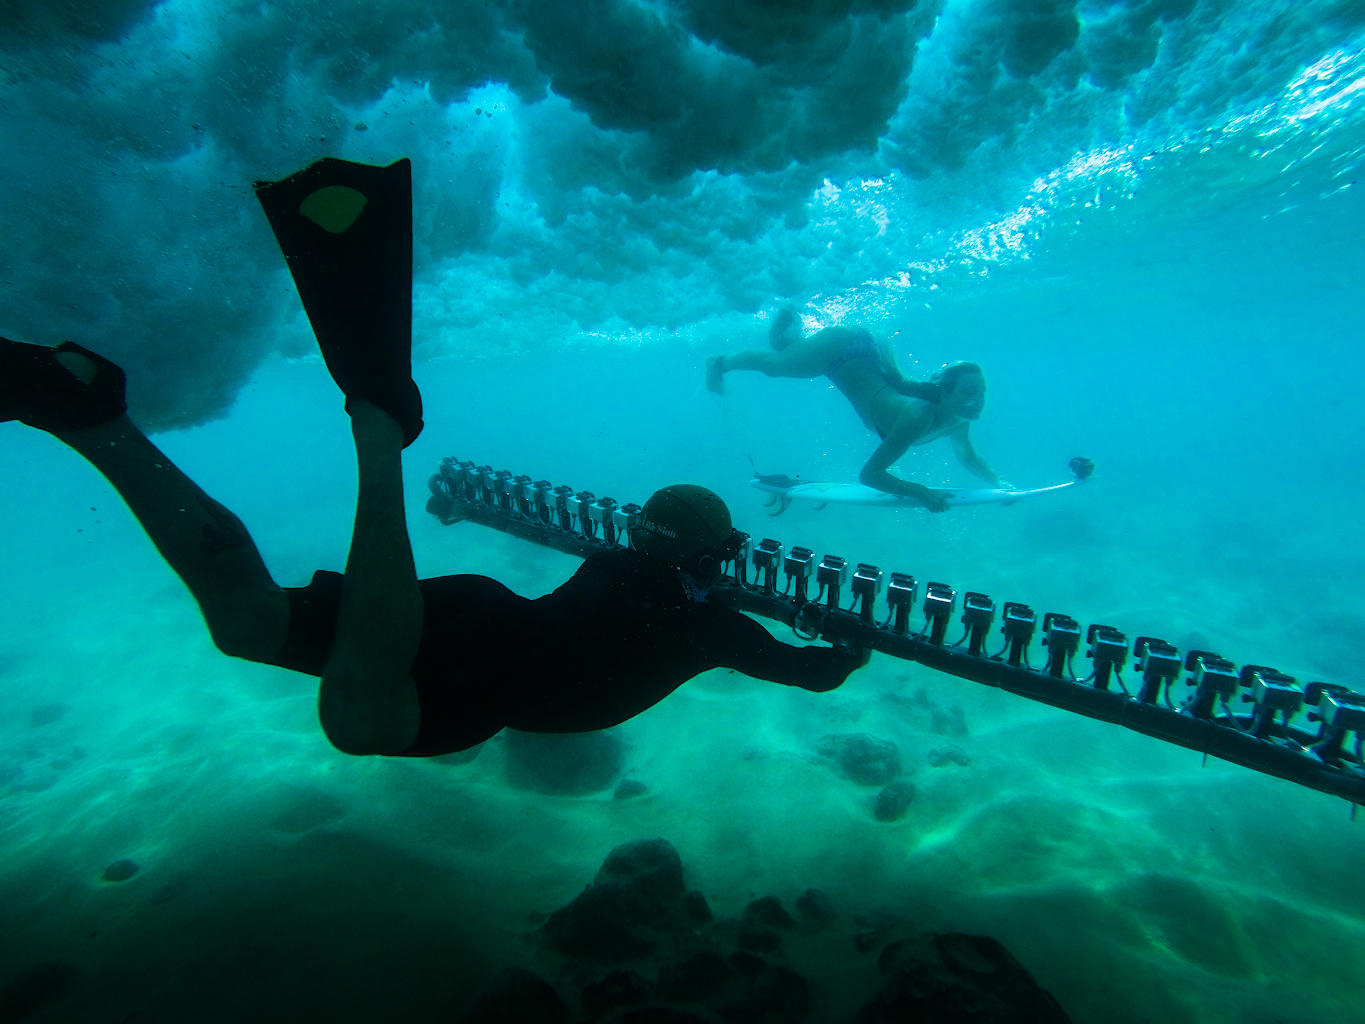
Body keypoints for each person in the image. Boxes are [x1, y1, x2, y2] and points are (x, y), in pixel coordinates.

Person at [0, 157, 866, 759]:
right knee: (355, 719)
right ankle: (377, 438)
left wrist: (772, 611)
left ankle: (93, 420)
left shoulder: (616, 562)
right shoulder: (715, 627)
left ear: (644, 532)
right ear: (712, 551)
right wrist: (843, 639)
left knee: (249, 622)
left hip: (474, 624)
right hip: (476, 677)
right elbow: (815, 674)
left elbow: (655, 576)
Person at [706, 309, 1010, 512]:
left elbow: (967, 456)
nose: (978, 400)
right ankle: (719, 363)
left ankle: (793, 340)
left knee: (790, 355)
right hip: (843, 348)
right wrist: (920, 492)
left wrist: (999, 482)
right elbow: (870, 475)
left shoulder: (956, 418)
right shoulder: (919, 416)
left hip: (869, 354)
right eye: (970, 392)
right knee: (775, 366)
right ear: (945, 393)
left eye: (982, 391)